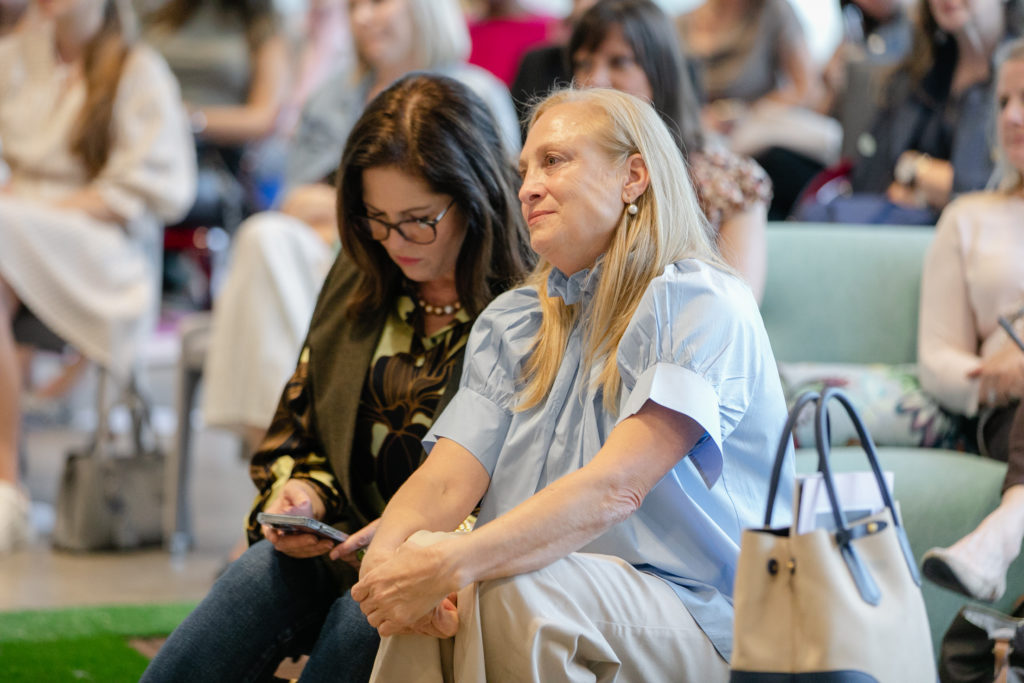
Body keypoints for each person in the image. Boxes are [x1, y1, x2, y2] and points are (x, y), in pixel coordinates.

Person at [351, 86, 791, 681]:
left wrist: (452, 559)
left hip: (711, 618)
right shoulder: (516, 321)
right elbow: (445, 480)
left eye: (554, 161)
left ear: (633, 175)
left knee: (501, 584)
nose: (528, 186)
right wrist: (388, 566)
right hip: (556, 588)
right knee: (439, 593)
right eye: (524, 169)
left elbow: (616, 489)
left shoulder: (699, 303)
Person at [141, 73, 533, 683]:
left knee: (369, 614)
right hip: (343, 542)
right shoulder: (363, 269)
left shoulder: (528, 304)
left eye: (417, 220)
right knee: (254, 576)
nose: (394, 240)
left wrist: (419, 543)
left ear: (476, 196)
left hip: (451, 566)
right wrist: (302, 495)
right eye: (375, 218)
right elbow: (301, 428)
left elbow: (537, 488)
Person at [201, 0, 520, 449]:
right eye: (354, 6)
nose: (363, 18)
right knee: (264, 239)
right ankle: (286, 441)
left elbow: (499, 206)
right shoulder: (335, 95)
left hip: (438, 266)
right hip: (334, 257)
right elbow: (292, 200)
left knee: (276, 250)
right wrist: (375, 223)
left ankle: (301, 440)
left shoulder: (474, 91)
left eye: (379, 2)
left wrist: (363, 218)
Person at [0, 0, 195, 551]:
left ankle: (6, 481)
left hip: (102, 244)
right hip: (21, 229)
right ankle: (7, 480)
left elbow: (155, 190)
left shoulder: (138, 69)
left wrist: (37, 212)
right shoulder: (14, 56)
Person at [570, 0, 770, 301]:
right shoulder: (565, 174)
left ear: (660, 72)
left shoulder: (727, 179)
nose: (594, 80)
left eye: (619, 62)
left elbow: (739, 306)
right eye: (584, 63)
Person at [918, 38, 1024, 604]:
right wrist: (999, 379)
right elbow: (937, 359)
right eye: (1004, 100)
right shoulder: (968, 217)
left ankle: (999, 538)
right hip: (1008, 414)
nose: (1010, 116)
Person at [848, 0, 1023, 220]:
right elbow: (870, 177)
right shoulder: (919, 71)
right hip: (899, 227)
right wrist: (927, 179)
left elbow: (996, 189)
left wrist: (914, 170)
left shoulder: (1016, 71)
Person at [143, 0, 290, 211]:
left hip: (216, 154)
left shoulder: (261, 25)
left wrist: (191, 119)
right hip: (153, 139)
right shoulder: (163, 15)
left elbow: (265, 117)